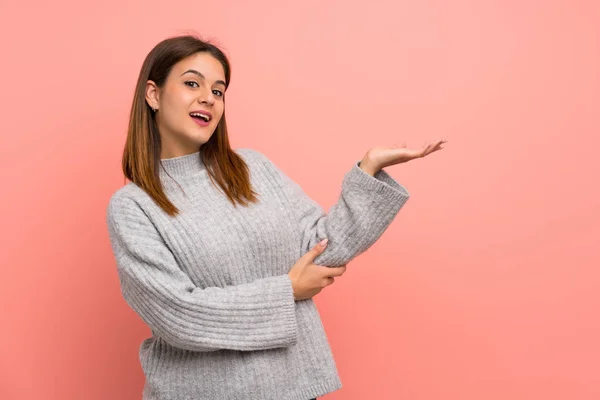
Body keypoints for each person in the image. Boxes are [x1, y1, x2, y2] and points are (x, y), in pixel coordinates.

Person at [106, 34, 445, 400]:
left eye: (218, 91)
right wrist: (287, 291)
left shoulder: (253, 168)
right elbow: (179, 316)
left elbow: (322, 247)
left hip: (295, 389)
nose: (208, 97)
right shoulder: (133, 206)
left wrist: (367, 171)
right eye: (192, 83)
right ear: (153, 94)